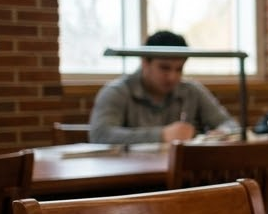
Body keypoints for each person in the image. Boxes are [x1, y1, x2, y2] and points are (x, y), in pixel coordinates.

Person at [88, 30, 237, 144]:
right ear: (145, 62)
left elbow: (230, 124)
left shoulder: (192, 91)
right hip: (129, 178)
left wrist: (222, 132)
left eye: (179, 69)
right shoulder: (117, 92)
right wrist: (162, 135)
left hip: (183, 178)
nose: (172, 77)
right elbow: (100, 135)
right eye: (164, 68)